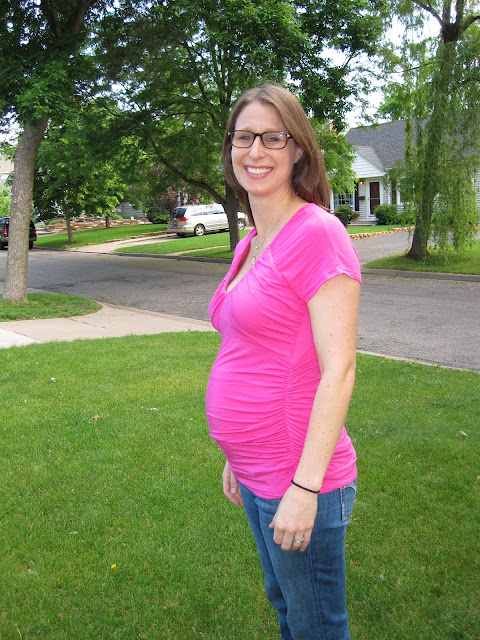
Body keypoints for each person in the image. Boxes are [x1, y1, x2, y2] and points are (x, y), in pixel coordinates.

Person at [205, 84, 361, 640]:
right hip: (256, 471)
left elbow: (339, 370)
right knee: (288, 609)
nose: (255, 151)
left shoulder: (317, 234)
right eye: (243, 137)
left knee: (316, 625)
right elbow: (250, 347)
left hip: (297, 475)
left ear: (298, 150)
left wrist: (306, 488)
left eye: (273, 137)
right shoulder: (250, 241)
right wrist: (237, 455)